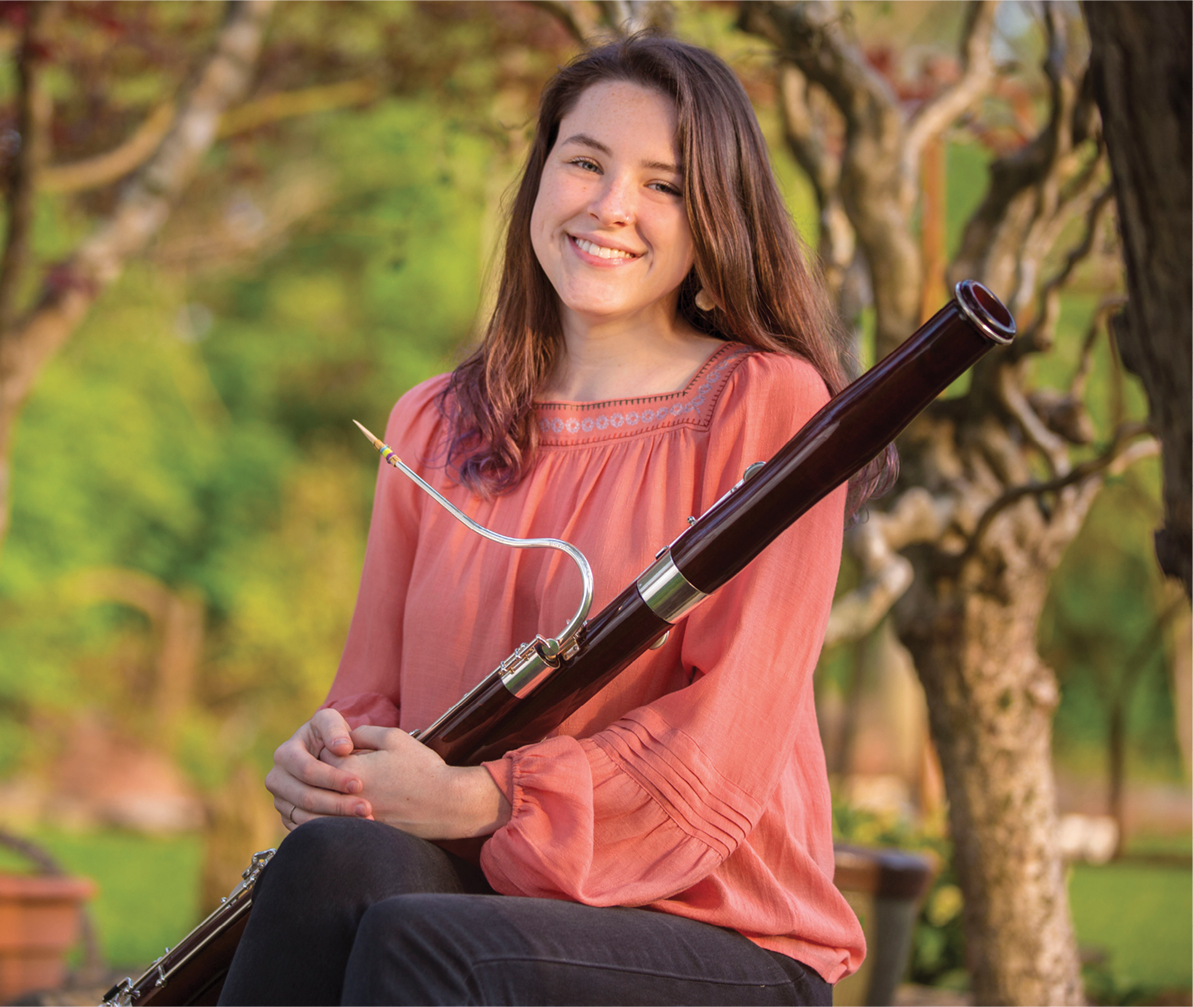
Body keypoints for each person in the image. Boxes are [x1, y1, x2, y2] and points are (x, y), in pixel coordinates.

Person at [220, 32, 889, 1007]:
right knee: (326, 863)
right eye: (585, 162)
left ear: (716, 217)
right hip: (492, 896)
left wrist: (479, 797)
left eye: (665, 184)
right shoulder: (434, 421)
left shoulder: (764, 400)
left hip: (720, 929)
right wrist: (333, 768)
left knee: (422, 940)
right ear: (542, 176)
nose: (611, 206)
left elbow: (722, 738)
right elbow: (375, 700)